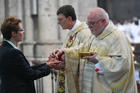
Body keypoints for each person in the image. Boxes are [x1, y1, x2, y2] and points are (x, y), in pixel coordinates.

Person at [53, 7, 138, 93]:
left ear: (103, 21)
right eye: (88, 23)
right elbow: (82, 49)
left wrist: (98, 60)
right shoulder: (95, 35)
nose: (89, 27)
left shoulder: (117, 37)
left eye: (92, 23)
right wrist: (64, 52)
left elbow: (122, 65)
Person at [0, 16, 60, 93]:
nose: (23, 32)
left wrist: (47, 64)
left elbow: (25, 69)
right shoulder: (12, 52)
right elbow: (30, 74)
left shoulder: (4, 48)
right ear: (13, 33)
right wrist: (49, 66)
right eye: (21, 30)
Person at [56, 5, 91, 93]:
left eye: (60, 19)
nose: (58, 23)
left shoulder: (85, 33)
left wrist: (65, 53)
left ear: (69, 18)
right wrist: (59, 59)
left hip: (80, 81)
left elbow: (87, 55)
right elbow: (67, 52)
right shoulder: (70, 33)